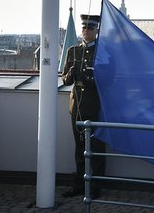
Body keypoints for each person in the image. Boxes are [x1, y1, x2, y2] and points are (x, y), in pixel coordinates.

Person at [61, 14, 106, 198]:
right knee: (79, 147)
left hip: (95, 104)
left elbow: (108, 81)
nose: (86, 31)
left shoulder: (103, 51)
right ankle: (79, 183)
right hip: (77, 105)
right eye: (84, 28)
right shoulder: (73, 51)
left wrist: (90, 78)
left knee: (96, 146)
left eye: (90, 28)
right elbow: (65, 79)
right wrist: (71, 74)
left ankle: (96, 186)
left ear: (96, 31)